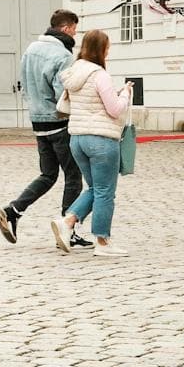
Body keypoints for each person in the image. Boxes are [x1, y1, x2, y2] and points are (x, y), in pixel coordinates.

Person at [0, 9, 91, 248]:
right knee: (73, 176)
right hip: (58, 123)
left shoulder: (31, 49)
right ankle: (68, 229)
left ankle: (13, 210)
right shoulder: (62, 55)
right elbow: (63, 93)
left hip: (37, 122)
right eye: (75, 29)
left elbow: (24, 83)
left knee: (48, 175)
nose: (75, 33)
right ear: (67, 28)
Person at [50, 29, 132, 256]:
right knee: (105, 191)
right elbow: (114, 109)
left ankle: (67, 222)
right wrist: (125, 93)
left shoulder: (74, 71)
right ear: (101, 49)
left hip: (77, 138)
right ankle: (103, 242)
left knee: (95, 188)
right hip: (101, 139)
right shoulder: (99, 74)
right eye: (107, 47)